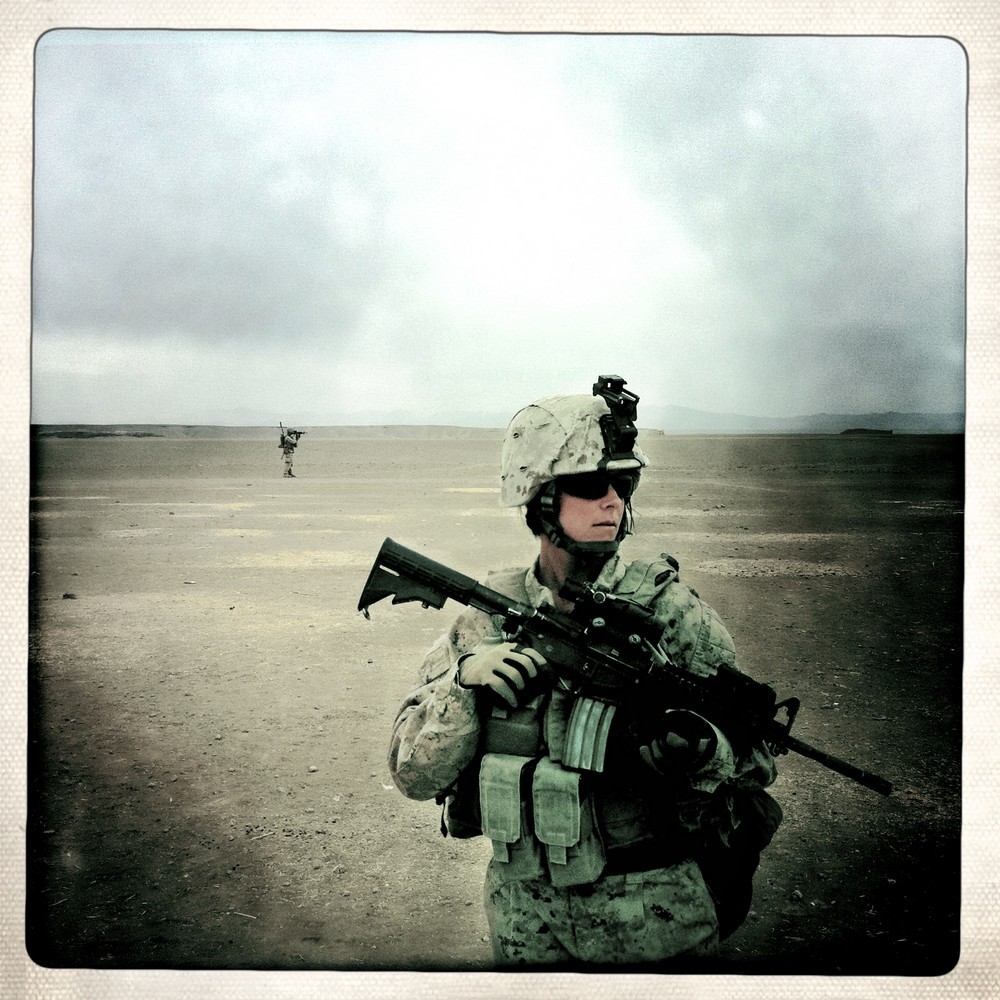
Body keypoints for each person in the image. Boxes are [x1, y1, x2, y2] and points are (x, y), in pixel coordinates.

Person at [387, 376, 782, 968]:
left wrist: (691, 751)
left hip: (655, 913)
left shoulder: (669, 613)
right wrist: (464, 684)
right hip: (524, 918)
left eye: (623, 484)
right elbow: (412, 775)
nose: (613, 501)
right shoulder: (486, 619)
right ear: (540, 498)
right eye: (591, 485)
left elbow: (754, 763)